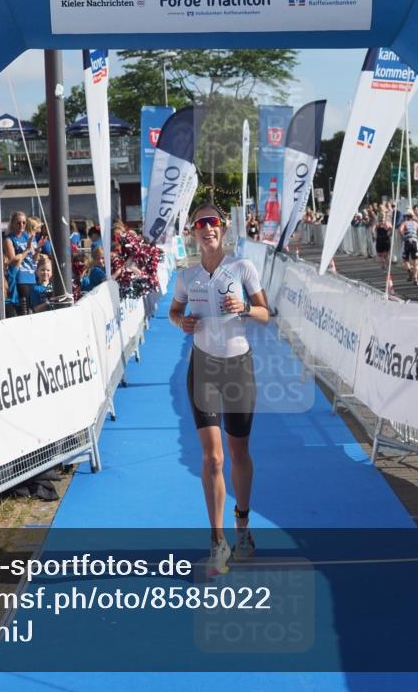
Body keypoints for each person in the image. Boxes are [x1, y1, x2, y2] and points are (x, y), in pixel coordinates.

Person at [169, 203, 269, 574]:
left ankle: (242, 526)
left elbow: (265, 313)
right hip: (204, 368)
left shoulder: (243, 267)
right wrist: (182, 322)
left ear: (222, 229)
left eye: (213, 223)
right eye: (201, 224)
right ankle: (217, 540)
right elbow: (174, 313)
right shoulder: (187, 275)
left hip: (238, 367)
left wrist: (243, 307)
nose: (207, 229)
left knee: (238, 451)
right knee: (213, 458)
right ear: (194, 232)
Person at [4, 211, 38, 316]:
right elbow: (14, 261)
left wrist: (38, 250)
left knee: (33, 308)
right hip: (20, 276)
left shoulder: (27, 236)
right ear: (13, 224)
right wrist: (27, 250)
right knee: (24, 309)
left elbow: (34, 257)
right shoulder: (9, 239)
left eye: (24, 222)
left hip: (32, 275)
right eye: (18, 223)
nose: (21, 225)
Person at [399, 210, 418, 285]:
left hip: (407, 242)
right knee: (416, 261)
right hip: (414, 243)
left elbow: (400, 230)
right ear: (412, 216)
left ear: (406, 216)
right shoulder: (416, 223)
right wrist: (416, 237)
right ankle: (415, 279)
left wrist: (403, 237)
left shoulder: (404, 223)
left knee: (405, 259)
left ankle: (409, 271)